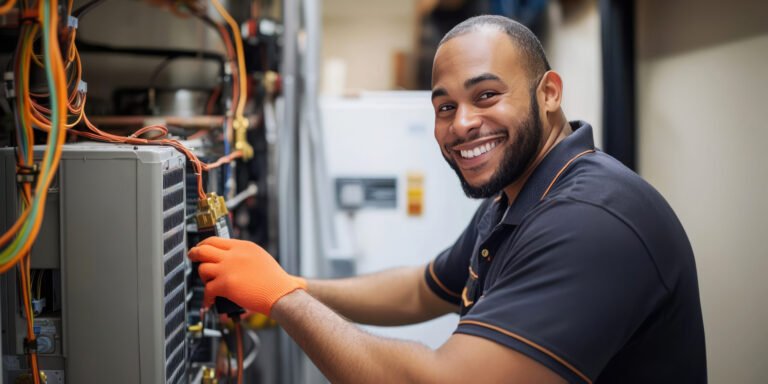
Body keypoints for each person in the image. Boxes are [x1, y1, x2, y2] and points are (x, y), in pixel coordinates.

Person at [190, 15, 707, 383]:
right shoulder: (516, 197)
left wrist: (284, 300)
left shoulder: (590, 220)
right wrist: (290, 283)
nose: (461, 125)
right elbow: (422, 289)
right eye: (444, 106)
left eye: (486, 95)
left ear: (549, 93)